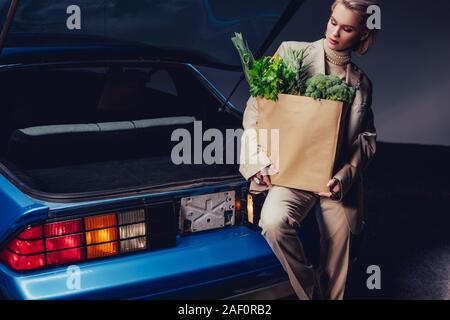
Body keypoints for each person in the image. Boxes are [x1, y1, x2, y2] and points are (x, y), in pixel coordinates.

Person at [239, 0, 379, 300]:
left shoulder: (362, 84)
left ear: (362, 36)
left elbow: (366, 139)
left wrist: (344, 177)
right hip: (293, 172)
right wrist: (257, 161)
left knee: (339, 262)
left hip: (336, 182)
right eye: (332, 21)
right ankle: (311, 293)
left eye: (347, 28)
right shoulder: (293, 52)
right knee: (273, 223)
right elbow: (257, 108)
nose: (335, 32)